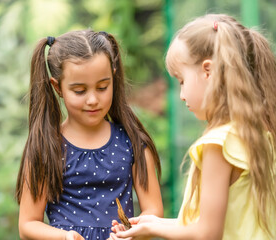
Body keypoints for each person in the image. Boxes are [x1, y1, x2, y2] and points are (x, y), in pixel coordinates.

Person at [110, 13, 276, 240]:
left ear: (207, 71)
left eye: (181, 81)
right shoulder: (259, 134)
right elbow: (222, 221)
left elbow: (208, 233)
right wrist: (157, 222)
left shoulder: (218, 144)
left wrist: (153, 229)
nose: (181, 95)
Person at [15, 29, 164, 240]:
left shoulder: (133, 142)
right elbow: (28, 224)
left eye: (102, 87)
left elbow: (154, 210)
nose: (93, 99)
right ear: (57, 87)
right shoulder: (46, 148)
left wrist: (131, 233)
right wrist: (66, 237)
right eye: (80, 91)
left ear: (113, 76)